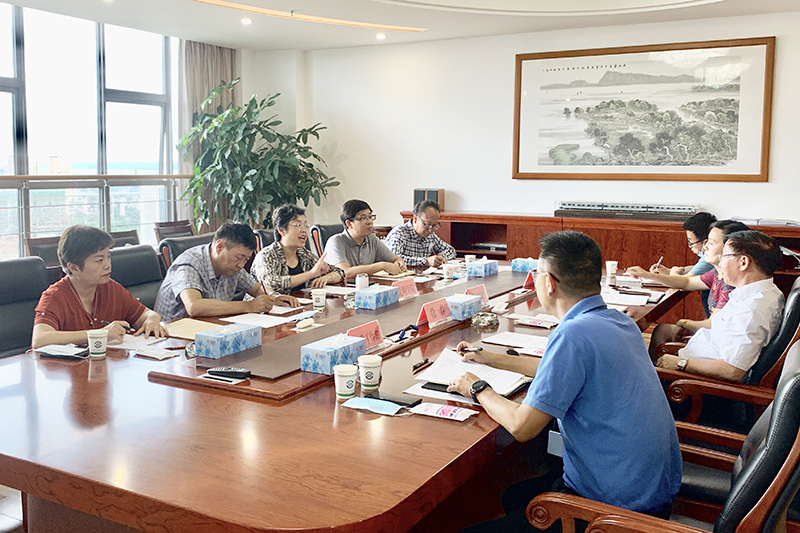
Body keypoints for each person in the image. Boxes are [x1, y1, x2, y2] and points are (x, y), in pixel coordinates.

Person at [449, 231, 681, 532]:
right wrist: (491, 359)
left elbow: (522, 427)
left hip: (615, 513)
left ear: (548, 283)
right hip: (649, 491)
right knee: (514, 494)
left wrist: (477, 388)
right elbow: (561, 370)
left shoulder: (572, 335)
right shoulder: (619, 321)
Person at [656, 230, 785, 382]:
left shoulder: (752, 310)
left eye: (724, 256)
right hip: (696, 359)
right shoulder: (759, 292)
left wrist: (680, 363)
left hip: (697, 383)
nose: (720, 262)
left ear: (743, 262)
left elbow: (732, 370)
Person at [627, 219, 748, 360]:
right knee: (662, 330)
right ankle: (657, 371)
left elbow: (712, 324)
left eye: (711, 243)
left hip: (715, 342)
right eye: (706, 241)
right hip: (711, 334)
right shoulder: (717, 273)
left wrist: (684, 323)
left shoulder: (730, 283)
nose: (705, 247)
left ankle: (663, 371)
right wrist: (647, 275)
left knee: (662, 332)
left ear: (730, 248)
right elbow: (687, 282)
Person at [32, 225, 167, 349]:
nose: (108, 265)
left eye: (108, 257)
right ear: (74, 268)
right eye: (99, 260)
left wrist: (152, 320)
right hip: (69, 367)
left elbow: (146, 314)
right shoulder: (54, 296)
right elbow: (40, 339)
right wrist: (99, 334)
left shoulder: (110, 288)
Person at [155, 222, 297, 323]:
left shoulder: (233, 267)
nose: (241, 265)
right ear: (220, 246)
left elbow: (256, 289)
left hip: (210, 329)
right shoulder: (189, 263)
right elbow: (194, 306)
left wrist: (273, 297)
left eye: (246, 259)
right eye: (239, 257)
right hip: (172, 337)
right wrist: (248, 306)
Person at [251, 204, 345, 294]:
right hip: (268, 305)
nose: (304, 230)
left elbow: (340, 272)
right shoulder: (266, 256)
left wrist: (326, 278)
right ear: (281, 230)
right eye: (298, 225)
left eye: (305, 225)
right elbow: (272, 284)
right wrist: (311, 274)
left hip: (300, 303)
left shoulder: (303, 254)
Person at [324, 199, 407, 279]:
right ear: (349, 223)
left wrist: (399, 263)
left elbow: (395, 259)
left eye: (370, 217)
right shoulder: (335, 242)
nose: (370, 222)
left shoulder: (371, 239)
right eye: (363, 218)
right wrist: (381, 266)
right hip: (340, 287)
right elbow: (344, 272)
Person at [384, 199, 456, 268]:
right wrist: (425, 261)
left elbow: (450, 250)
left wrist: (440, 257)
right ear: (415, 219)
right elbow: (393, 259)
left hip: (423, 274)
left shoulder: (430, 235)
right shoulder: (399, 233)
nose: (430, 230)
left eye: (435, 225)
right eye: (427, 224)